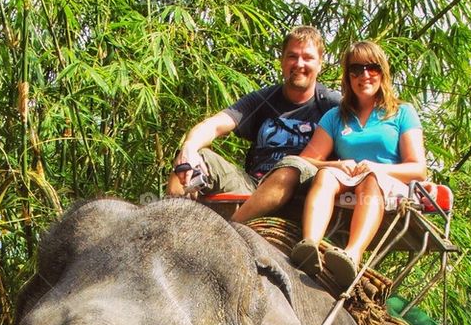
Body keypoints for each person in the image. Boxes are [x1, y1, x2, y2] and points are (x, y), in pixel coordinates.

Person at [233, 40, 426, 290]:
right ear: (348, 77)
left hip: (387, 181)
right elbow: (306, 159)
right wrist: (336, 165)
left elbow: (418, 169)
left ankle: (352, 255)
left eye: (372, 68)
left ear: (383, 72)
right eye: (356, 70)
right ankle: (310, 245)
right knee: (324, 175)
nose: (364, 75)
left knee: (370, 181)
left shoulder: (401, 113)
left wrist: (376, 168)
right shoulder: (336, 116)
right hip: (348, 179)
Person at [166, 25, 341, 199]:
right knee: (190, 162)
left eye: (308, 58)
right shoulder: (263, 99)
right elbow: (214, 125)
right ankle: (170, 220)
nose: (299, 64)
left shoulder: (334, 106)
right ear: (282, 60)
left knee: (293, 167)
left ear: (320, 63)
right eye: (292, 56)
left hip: (304, 194)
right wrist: (189, 147)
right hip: (253, 188)